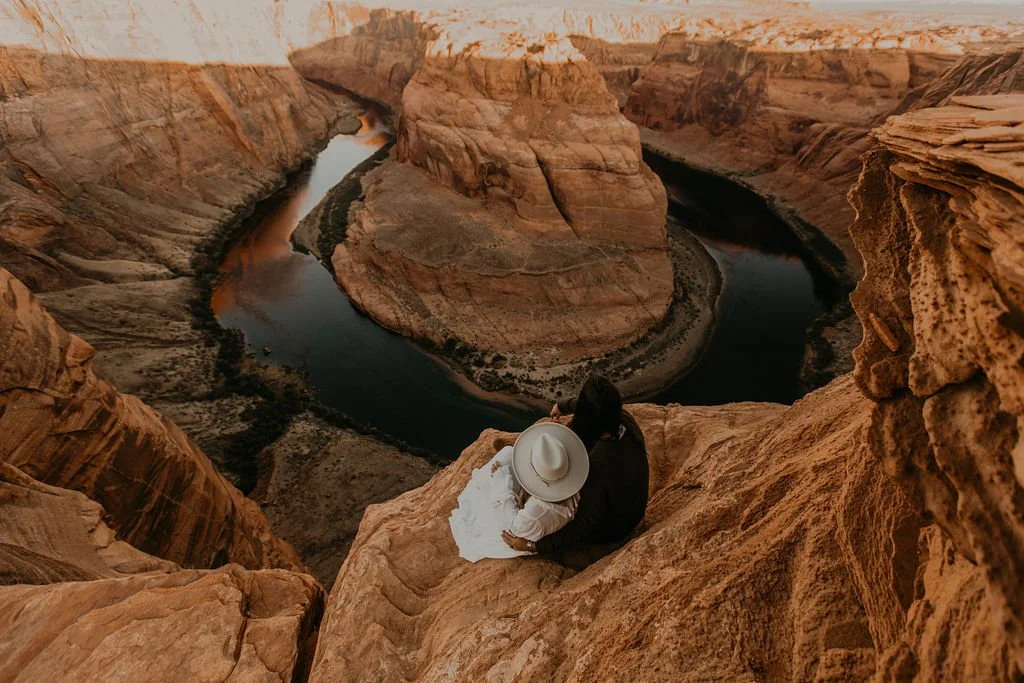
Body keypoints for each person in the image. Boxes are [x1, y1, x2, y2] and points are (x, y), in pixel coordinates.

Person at [502, 375, 649, 569]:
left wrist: (534, 546)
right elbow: (597, 409)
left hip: (617, 527)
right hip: (631, 505)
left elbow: (585, 526)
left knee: (556, 502)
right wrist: (564, 405)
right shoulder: (623, 420)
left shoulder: (598, 467)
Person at [449, 422, 589, 562]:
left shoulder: (536, 512)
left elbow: (513, 527)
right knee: (508, 453)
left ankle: (505, 486)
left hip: (521, 529)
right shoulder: (565, 470)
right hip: (552, 487)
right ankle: (514, 487)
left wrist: (501, 482)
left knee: (493, 478)